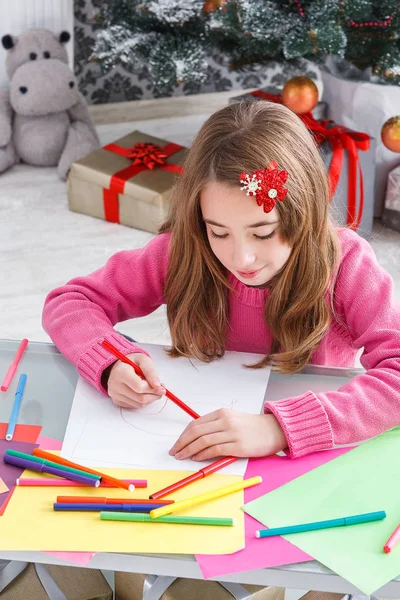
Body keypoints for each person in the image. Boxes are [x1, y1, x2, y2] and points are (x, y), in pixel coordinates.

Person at [42, 100, 400, 462]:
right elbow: (70, 301)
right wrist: (110, 363)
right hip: (196, 439)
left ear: (302, 213)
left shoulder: (345, 263)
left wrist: (278, 429)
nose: (241, 258)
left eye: (262, 233)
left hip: (304, 454)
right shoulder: (184, 251)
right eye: (219, 231)